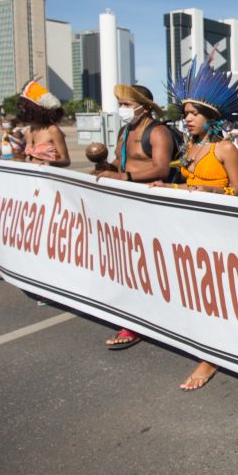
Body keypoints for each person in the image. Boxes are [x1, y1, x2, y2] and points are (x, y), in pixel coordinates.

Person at [159, 61, 238, 390]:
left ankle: (211, 358)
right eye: (186, 113)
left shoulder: (224, 148)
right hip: (192, 231)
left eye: (194, 112)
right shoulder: (191, 148)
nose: (188, 118)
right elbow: (190, 185)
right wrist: (169, 188)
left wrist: (213, 190)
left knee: (218, 295)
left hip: (221, 233)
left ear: (210, 116)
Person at [96, 84, 175, 350]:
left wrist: (123, 177)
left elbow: (161, 169)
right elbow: (120, 164)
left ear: (144, 106)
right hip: (124, 206)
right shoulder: (125, 130)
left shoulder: (158, 131)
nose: (122, 109)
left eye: (127, 105)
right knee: (128, 264)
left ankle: (139, 322)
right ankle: (135, 315)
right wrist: (107, 169)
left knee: (147, 265)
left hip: (149, 207)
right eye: (121, 104)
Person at [17, 80, 70, 167]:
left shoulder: (53, 130)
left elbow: (66, 160)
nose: (22, 110)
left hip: (49, 176)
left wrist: (49, 163)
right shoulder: (28, 131)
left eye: (25, 107)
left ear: (34, 110)